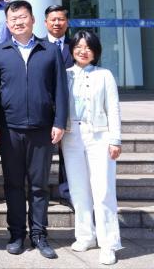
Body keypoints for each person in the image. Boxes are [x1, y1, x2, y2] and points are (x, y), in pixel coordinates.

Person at [0, 0, 68, 259]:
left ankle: (39, 234)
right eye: (13, 19)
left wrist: (60, 122)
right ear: (7, 24)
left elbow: (60, 90)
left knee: (39, 185)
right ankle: (16, 234)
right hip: (10, 130)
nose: (18, 22)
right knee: (13, 185)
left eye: (23, 17)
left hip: (43, 129)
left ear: (33, 20)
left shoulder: (49, 50)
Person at [64, 30, 122, 266]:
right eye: (78, 46)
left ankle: (108, 243)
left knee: (103, 190)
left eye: (88, 47)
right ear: (72, 50)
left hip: (100, 135)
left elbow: (114, 108)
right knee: (78, 189)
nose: (83, 51)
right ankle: (85, 235)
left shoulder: (104, 75)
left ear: (95, 51)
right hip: (72, 136)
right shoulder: (65, 74)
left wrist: (115, 139)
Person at [44, 4, 74, 208]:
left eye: (60, 19)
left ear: (67, 22)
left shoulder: (76, 46)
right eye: (52, 19)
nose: (56, 23)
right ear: (45, 22)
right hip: (43, 108)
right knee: (41, 154)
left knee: (68, 152)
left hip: (70, 107)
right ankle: (40, 191)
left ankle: (68, 190)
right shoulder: (37, 45)